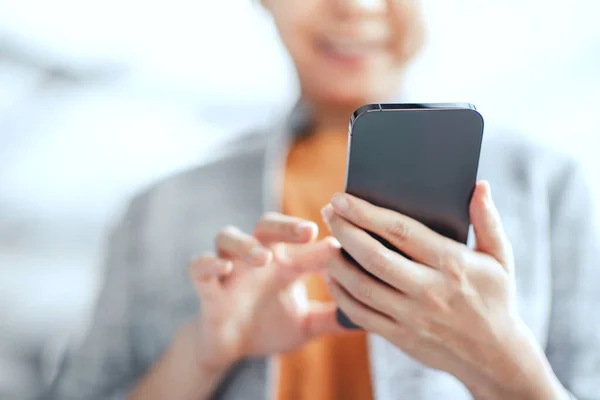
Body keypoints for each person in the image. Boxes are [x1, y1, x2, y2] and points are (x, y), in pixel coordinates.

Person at [47, 0, 600, 399]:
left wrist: (501, 367)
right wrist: (202, 355)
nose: (355, 6)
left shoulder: (550, 189)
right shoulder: (156, 212)